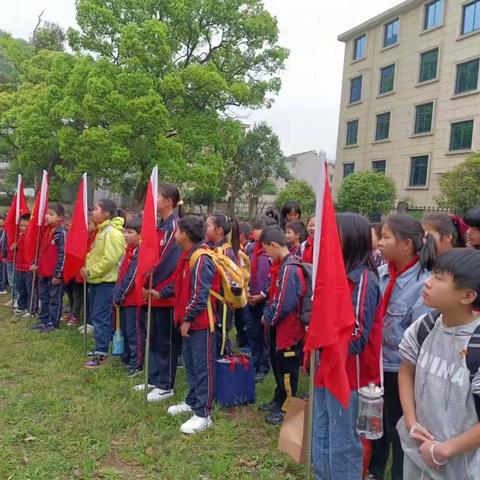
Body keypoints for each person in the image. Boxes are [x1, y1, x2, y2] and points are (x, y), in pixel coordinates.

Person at [398, 248, 480, 479]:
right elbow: (406, 371)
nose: (428, 282)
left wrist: (445, 449)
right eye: (432, 274)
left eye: (439, 278)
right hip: (419, 453)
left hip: (464, 465)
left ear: (467, 296)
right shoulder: (425, 325)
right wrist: (412, 422)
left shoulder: (476, 344)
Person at [313, 213, 383, 480]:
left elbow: (355, 337)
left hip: (348, 376)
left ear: (351, 239)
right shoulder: (334, 275)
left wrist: (321, 331)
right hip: (326, 369)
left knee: (343, 443)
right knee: (322, 432)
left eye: (333, 235)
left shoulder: (363, 279)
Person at [369, 215, 436, 480]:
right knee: (376, 424)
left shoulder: (424, 285)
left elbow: (420, 340)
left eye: (386, 237)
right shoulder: (383, 273)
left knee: (400, 429)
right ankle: (375, 470)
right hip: (378, 364)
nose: (380, 243)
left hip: (402, 370)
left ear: (407, 244)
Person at [166, 215, 220, 434]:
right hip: (188, 322)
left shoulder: (201, 258)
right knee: (190, 364)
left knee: (202, 367)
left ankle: (204, 413)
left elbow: (200, 294)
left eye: (177, 230)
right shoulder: (188, 255)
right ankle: (192, 400)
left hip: (200, 323)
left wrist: (188, 318)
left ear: (185, 234)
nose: (175, 234)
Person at [137, 183, 183, 402]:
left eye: (157, 197)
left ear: (168, 201)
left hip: (164, 294)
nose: (153, 201)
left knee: (166, 340)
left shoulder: (175, 227)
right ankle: (154, 378)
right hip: (152, 292)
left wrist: (154, 286)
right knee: (153, 337)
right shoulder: (160, 225)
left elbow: (168, 263)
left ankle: (165, 384)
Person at [260, 225, 306, 425]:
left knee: (287, 372)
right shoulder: (282, 265)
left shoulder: (290, 268)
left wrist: (268, 318)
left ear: (273, 245)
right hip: (279, 330)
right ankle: (278, 400)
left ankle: (288, 407)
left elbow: (285, 303)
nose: (266, 254)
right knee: (278, 368)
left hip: (288, 331)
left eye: (266, 249)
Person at [82, 199, 125, 369]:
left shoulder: (112, 233)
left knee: (101, 318)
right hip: (97, 280)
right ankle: (100, 347)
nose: (93, 211)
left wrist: (92, 271)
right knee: (96, 316)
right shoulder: (102, 231)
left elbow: (110, 260)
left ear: (107, 213)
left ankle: (102, 353)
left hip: (106, 282)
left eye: (96, 209)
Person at [205, 212, 241, 357]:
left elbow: (228, 279)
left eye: (208, 226)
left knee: (221, 335)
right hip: (216, 300)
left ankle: (224, 364)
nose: (205, 228)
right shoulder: (213, 247)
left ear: (219, 230)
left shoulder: (225, 251)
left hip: (222, 302)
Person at [112, 217, 143, 377]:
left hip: (132, 300)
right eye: (125, 231)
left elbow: (132, 276)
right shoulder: (129, 250)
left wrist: (121, 294)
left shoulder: (140, 252)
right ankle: (126, 356)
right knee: (123, 329)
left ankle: (137, 363)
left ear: (140, 234)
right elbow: (122, 274)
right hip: (123, 298)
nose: (125, 235)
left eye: (130, 232)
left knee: (134, 332)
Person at [246, 216, 273, 381]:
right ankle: (254, 362)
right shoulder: (252, 249)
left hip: (265, 300)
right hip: (252, 298)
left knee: (264, 335)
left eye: (257, 229)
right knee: (254, 332)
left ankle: (263, 366)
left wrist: (262, 295)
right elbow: (248, 271)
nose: (254, 232)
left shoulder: (269, 251)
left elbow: (272, 276)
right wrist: (248, 290)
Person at [32, 203, 67, 332]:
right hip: (43, 272)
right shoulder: (46, 230)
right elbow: (41, 250)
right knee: (44, 297)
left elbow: (63, 255)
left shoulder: (61, 232)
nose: (46, 216)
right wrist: (36, 263)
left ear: (60, 217)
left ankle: (53, 322)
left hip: (54, 274)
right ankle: (43, 320)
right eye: (46, 213)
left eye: (51, 214)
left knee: (54, 299)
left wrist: (58, 274)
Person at [13, 214, 32, 316]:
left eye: (26, 226)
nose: (23, 228)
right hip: (19, 267)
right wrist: (15, 247)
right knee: (20, 287)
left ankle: (31, 308)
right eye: (21, 225)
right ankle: (22, 306)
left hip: (27, 268)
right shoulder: (20, 235)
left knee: (29, 289)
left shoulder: (32, 237)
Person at [0, 214, 8, 294]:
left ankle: (2, 287)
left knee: (2, 272)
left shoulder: (4, 231)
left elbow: (3, 243)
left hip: (2, 256)